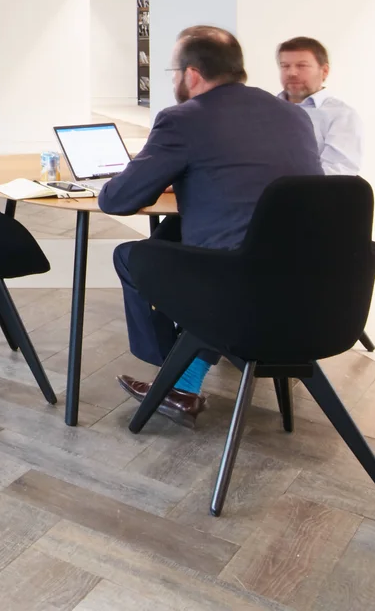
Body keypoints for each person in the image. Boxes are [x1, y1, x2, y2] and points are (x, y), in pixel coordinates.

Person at [99, 26, 321, 428]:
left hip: (233, 283)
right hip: (309, 284)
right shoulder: (294, 115)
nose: (173, 81)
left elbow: (118, 200)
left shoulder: (184, 120)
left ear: (192, 74)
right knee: (170, 234)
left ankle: (174, 376)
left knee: (130, 256)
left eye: (172, 71)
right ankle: (185, 378)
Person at [276, 36, 364, 175]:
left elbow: (337, 171)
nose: (292, 73)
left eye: (302, 66)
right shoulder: (265, 110)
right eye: (285, 66)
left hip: (313, 193)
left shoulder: (341, 116)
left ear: (324, 71)